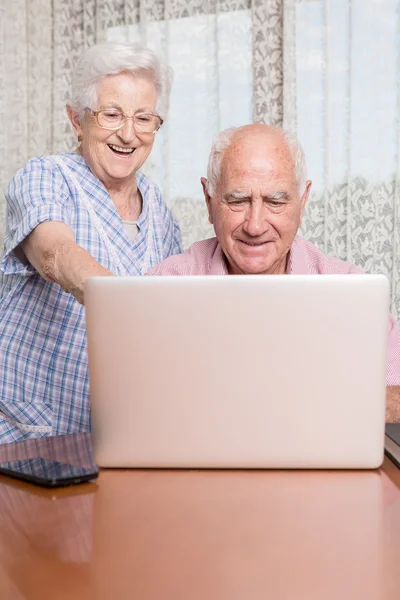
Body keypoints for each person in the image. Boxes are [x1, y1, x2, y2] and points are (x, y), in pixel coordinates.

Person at [147, 124, 400, 421]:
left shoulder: (352, 292)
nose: (255, 226)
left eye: (275, 202)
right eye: (238, 201)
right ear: (209, 200)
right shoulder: (163, 288)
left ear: (302, 201)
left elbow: (396, 395)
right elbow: (134, 404)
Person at [0, 42, 182, 442]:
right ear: (77, 120)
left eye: (143, 118)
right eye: (112, 115)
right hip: (24, 435)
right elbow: (55, 253)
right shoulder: (44, 177)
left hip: (114, 440)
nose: (128, 134)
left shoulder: (163, 218)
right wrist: (126, 306)